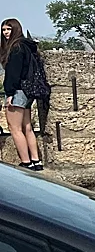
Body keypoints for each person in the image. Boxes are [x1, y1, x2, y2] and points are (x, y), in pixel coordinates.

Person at [0, 18, 45, 170]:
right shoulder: (26, 46)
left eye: (8, 29)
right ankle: (36, 161)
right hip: (27, 91)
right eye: (4, 30)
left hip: (17, 91)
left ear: (15, 29)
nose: (5, 33)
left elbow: (13, 74)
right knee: (27, 127)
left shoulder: (16, 48)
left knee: (15, 128)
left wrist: (10, 93)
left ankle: (27, 163)